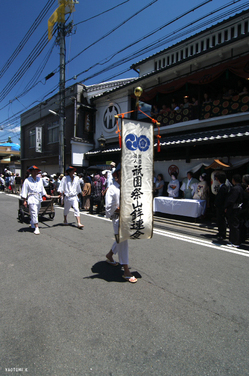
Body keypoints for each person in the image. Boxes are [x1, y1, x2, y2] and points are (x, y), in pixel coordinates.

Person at [105, 164, 137, 283]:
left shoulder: (127, 188)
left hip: (127, 218)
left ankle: (110, 255)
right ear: (116, 175)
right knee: (123, 242)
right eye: (122, 173)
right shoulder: (112, 189)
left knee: (120, 239)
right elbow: (108, 209)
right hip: (118, 219)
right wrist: (119, 209)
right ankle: (126, 270)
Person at [21, 165, 51, 235]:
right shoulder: (27, 180)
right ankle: (36, 227)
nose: (35, 172)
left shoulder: (39, 179)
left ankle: (32, 222)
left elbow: (42, 188)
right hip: (31, 197)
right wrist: (24, 200)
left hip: (38, 197)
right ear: (31, 172)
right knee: (34, 212)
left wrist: (46, 195)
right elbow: (24, 190)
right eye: (33, 171)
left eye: (36, 171)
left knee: (36, 211)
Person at [224, 174, 244, 248]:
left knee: (233, 226)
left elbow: (231, 200)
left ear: (233, 180)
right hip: (239, 208)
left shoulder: (235, 189)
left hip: (234, 209)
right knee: (237, 225)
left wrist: (226, 206)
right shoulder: (241, 188)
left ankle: (234, 241)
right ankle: (237, 240)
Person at [214, 172, 228, 240]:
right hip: (219, 206)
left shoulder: (224, 188)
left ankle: (223, 234)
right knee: (219, 220)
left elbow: (222, 199)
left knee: (222, 220)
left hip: (221, 207)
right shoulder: (222, 187)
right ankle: (220, 232)